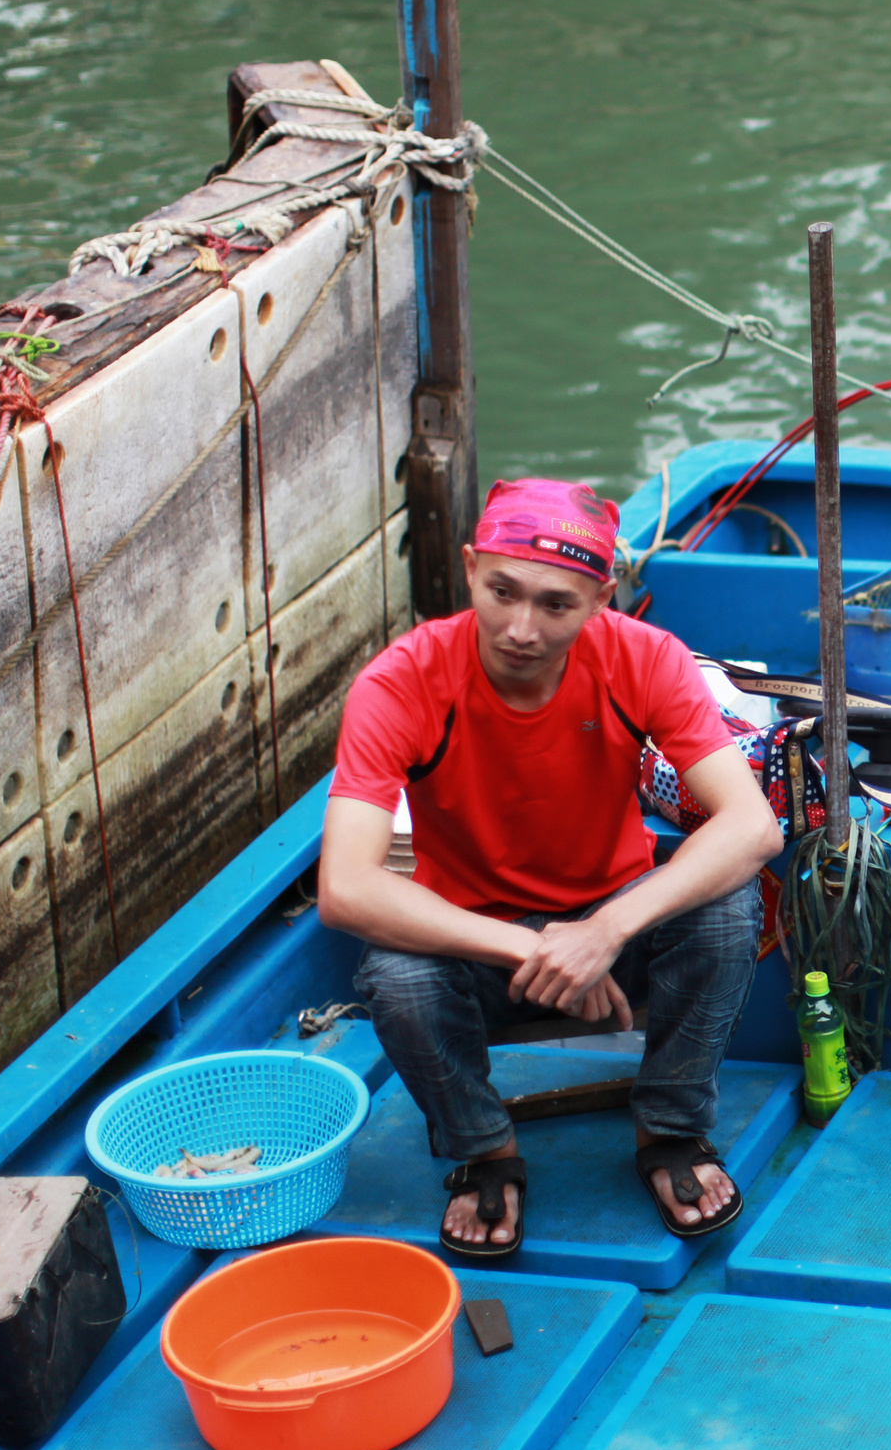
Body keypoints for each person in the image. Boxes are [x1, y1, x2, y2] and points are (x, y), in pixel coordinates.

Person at [317, 478, 781, 1259]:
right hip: (478, 945)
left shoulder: (644, 658)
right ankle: (484, 1149)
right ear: (470, 568)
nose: (521, 628)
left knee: (730, 904)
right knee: (396, 974)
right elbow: (345, 886)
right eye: (502, 591)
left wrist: (604, 931)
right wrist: (539, 948)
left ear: (601, 600)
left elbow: (752, 825)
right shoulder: (401, 682)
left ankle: (670, 1127)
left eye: (556, 604)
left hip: (614, 922)